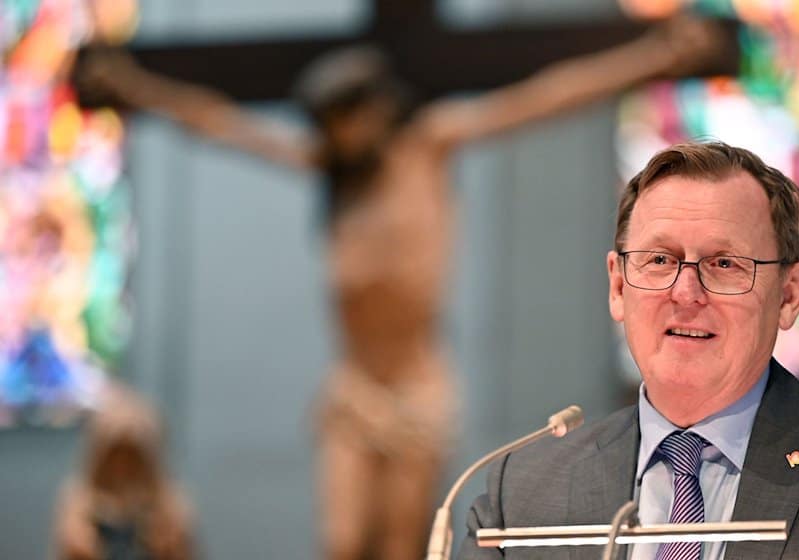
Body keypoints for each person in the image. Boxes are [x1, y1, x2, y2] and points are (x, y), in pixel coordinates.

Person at [72, 14, 737, 560]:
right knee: (342, 540)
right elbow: (222, 123)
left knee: (400, 544)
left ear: (373, 109)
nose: (334, 136)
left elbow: (541, 97)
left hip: (417, 388)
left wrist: (648, 60)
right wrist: (135, 85)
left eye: (343, 119)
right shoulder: (329, 169)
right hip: (355, 390)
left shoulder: (428, 145)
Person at [459, 141, 799, 559]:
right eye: (659, 260)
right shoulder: (525, 489)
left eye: (725, 265)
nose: (685, 293)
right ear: (618, 286)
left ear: (789, 295)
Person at [52, 383, 195, 560]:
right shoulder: (78, 507)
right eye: (116, 458)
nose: (122, 469)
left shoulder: (171, 509)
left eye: (131, 459)